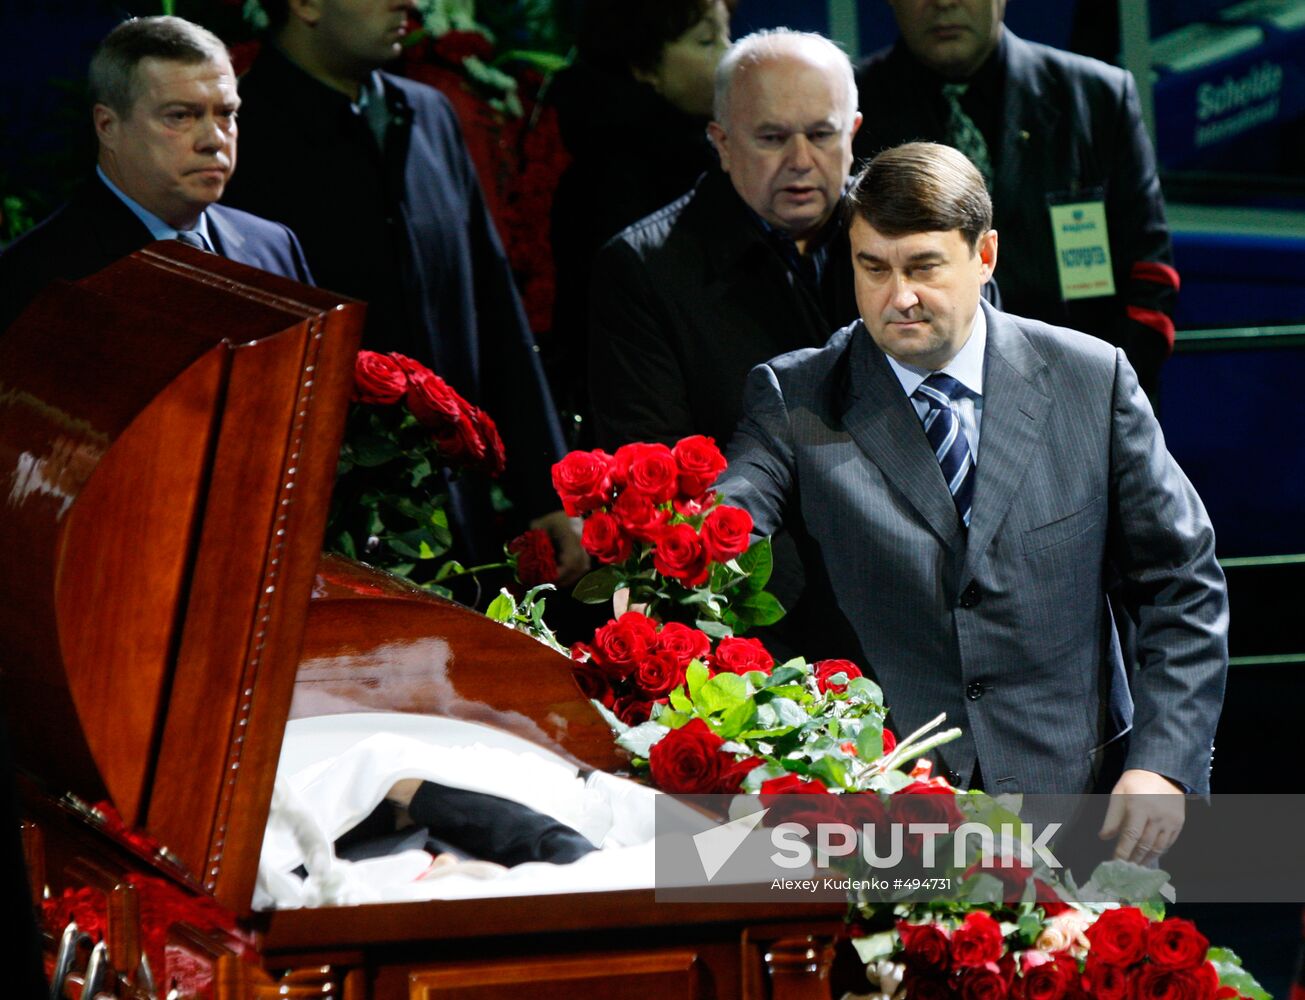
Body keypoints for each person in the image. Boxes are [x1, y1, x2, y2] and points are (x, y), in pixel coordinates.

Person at [719, 143, 1227, 859]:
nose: (898, 296)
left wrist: (1163, 764)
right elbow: (724, 525)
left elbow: (1182, 584)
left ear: (983, 255)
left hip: (1084, 810)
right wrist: (681, 547)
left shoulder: (1091, 380)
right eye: (873, 268)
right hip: (884, 814)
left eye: (923, 267)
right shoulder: (795, 398)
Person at [223, 0, 584, 580]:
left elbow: (494, 312)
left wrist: (547, 490)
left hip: (460, 525)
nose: (410, 3)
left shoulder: (427, 114)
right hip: (319, 542)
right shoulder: (240, 138)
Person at [853, 0, 1177, 394]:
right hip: (907, 410)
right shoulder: (850, 110)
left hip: (1082, 399)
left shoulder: (1097, 97)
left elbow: (1150, 279)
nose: (944, 3)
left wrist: (1098, 397)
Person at [587, 28, 864, 451]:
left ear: (852, 134)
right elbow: (652, 466)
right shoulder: (643, 270)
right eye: (772, 138)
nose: (801, 161)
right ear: (723, 143)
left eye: (821, 135)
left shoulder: (905, 241)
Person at [0, 16, 313, 334]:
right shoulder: (31, 276)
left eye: (226, 114)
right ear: (107, 126)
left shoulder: (273, 245)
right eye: (180, 116)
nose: (214, 140)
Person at [548, 0, 732, 446]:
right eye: (707, 40)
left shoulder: (706, 155)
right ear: (644, 67)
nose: (730, 53)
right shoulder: (613, 184)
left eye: (727, 33)